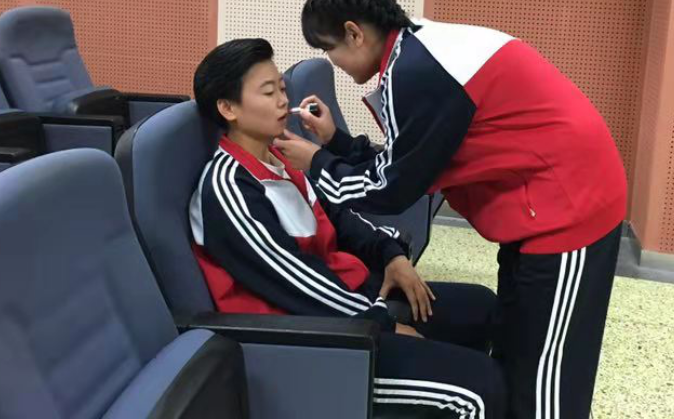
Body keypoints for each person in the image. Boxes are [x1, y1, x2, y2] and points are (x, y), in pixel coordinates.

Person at [273, 0, 626, 419]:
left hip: (569, 209)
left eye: (330, 49)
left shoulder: (418, 71)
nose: (333, 62)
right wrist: (337, 144)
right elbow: (410, 159)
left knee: (547, 378)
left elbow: (393, 189)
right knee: (519, 346)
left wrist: (318, 163)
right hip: (535, 208)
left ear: (354, 33)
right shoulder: (413, 50)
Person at [191, 38, 507, 419]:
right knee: (480, 390)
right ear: (228, 108)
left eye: (282, 89)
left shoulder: (278, 158)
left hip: (349, 301)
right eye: (268, 92)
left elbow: (338, 217)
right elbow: (297, 282)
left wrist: (390, 255)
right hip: (312, 343)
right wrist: (381, 322)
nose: (282, 101)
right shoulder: (228, 188)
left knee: (482, 308)